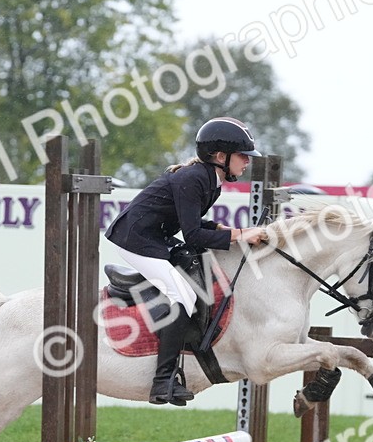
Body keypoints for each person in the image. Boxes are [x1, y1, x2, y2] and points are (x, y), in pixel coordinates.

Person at [104, 117, 269, 406]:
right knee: (181, 294)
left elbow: (192, 223)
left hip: (156, 237)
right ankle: (162, 381)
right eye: (243, 156)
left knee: (191, 288)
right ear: (221, 156)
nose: (247, 162)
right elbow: (192, 235)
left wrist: (225, 231)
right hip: (136, 240)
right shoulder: (194, 178)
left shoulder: (210, 180)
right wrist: (240, 235)